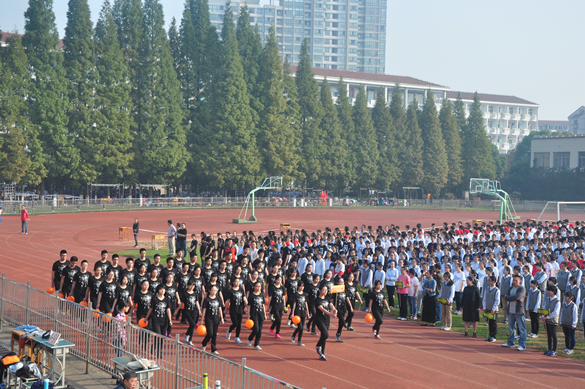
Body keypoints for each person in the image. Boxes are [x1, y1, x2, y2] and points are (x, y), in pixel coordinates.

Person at [502, 275, 527, 351]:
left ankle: (522, 345)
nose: (514, 282)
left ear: (520, 281)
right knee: (511, 328)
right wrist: (511, 298)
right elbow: (506, 297)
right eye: (513, 280)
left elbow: (517, 297)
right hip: (511, 311)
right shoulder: (510, 288)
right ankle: (510, 342)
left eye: (516, 280)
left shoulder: (522, 288)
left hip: (519, 311)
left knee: (522, 329)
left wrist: (510, 297)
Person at [314, 285, 337, 361]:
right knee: (325, 334)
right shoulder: (317, 300)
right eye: (324, 290)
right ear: (320, 290)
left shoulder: (327, 298)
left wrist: (334, 310)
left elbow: (331, 305)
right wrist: (331, 314)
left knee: (324, 336)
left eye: (326, 290)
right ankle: (318, 346)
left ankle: (322, 354)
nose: (325, 291)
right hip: (319, 319)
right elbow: (322, 309)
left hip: (326, 320)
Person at [200, 284, 224, 355]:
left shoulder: (218, 299)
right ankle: (204, 343)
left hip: (216, 318)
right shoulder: (207, 300)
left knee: (214, 335)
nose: (214, 292)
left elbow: (220, 308)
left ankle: (213, 349)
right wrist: (202, 320)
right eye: (213, 290)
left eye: (216, 290)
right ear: (210, 291)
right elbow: (204, 310)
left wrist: (222, 318)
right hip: (208, 318)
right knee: (210, 333)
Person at [225, 277, 247, 344]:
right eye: (236, 281)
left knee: (239, 324)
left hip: (240, 309)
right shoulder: (231, 291)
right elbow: (228, 301)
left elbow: (244, 297)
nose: (238, 283)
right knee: (235, 323)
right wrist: (225, 309)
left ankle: (237, 337)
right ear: (233, 283)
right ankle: (229, 330)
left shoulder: (241, 290)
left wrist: (246, 303)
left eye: (239, 281)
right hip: (233, 309)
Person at [247, 281, 267, 350]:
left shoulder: (261, 295)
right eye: (257, 286)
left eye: (259, 286)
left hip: (261, 314)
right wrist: (248, 316)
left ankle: (256, 344)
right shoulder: (251, 295)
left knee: (260, 331)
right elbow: (249, 306)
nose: (258, 288)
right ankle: (250, 338)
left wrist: (265, 314)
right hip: (254, 314)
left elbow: (263, 305)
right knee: (256, 329)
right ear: (254, 287)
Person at [542, 285, 561, 356]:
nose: (549, 292)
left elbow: (556, 312)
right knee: (549, 335)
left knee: (554, 335)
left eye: (550, 291)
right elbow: (545, 307)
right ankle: (549, 349)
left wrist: (548, 317)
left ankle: (554, 350)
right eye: (548, 290)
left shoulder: (557, 301)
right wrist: (543, 316)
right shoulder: (547, 299)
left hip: (553, 321)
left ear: (554, 292)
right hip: (547, 320)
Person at [183, 280, 201, 347]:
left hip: (194, 312)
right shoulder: (185, 294)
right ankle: (187, 334)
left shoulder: (195, 294)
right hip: (187, 311)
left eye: (193, 286)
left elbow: (197, 302)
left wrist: (199, 310)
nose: (192, 287)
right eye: (190, 285)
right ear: (188, 286)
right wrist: (177, 310)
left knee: (193, 326)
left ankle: (190, 340)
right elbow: (182, 303)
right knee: (192, 324)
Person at [482, 275, 500, 342]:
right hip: (488, 308)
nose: (488, 281)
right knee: (489, 322)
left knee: (493, 323)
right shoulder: (487, 288)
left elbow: (497, 300)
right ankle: (490, 335)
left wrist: (493, 309)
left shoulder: (496, 290)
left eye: (490, 280)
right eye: (488, 280)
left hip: (493, 310)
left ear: (493, 281)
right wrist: (484, 307)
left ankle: (494, 336)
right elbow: (485, 298)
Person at [291, 282, 309, 346]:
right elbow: (294, 304)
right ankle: (293, 335)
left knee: (302, 328)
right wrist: (292, 313)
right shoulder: (295, 294)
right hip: (297, 312)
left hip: (303, 312)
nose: (302, 288)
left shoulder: (305, 294)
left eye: (303, 286)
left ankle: (299, 341)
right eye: (300, 286)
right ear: (298, 286)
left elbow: (306, 303)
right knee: (300, 327)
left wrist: (308, 312)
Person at [334, 277, 350, 342]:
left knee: (340, 323)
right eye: (340, 282)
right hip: (337, 308)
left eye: (342, 282)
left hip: (343, 307)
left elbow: (346, 298)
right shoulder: (335, 290)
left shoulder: (344, 290)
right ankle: (344, 323)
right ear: (337, 283)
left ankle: (338, 334)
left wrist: (350, 307)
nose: (341, 283)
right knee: (342, 320)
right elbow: (331, 299)